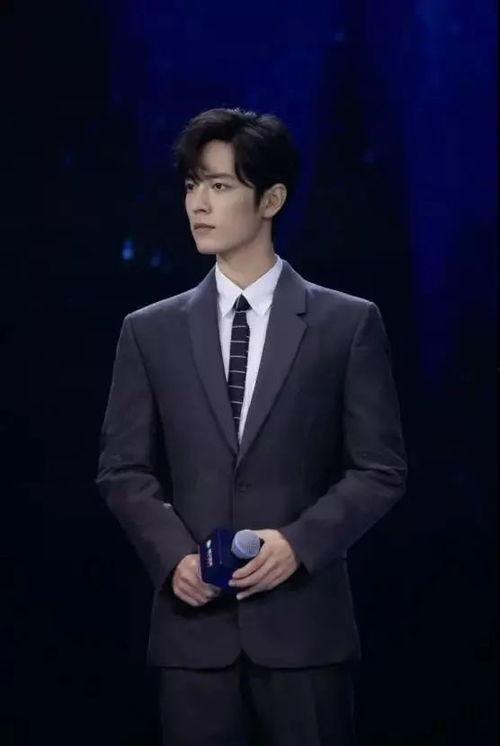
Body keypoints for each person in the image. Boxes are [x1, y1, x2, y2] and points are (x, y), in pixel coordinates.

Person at [95, 107, 407, 746]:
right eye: (192, 185)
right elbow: (122, 469)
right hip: (192, 633)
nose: (198, 204)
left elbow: (380, 469)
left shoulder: (346, 324)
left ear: (272, 200)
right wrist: (173, 559)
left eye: (219, 185)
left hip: (306, 631)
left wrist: (298, 545)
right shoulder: (149, 330)